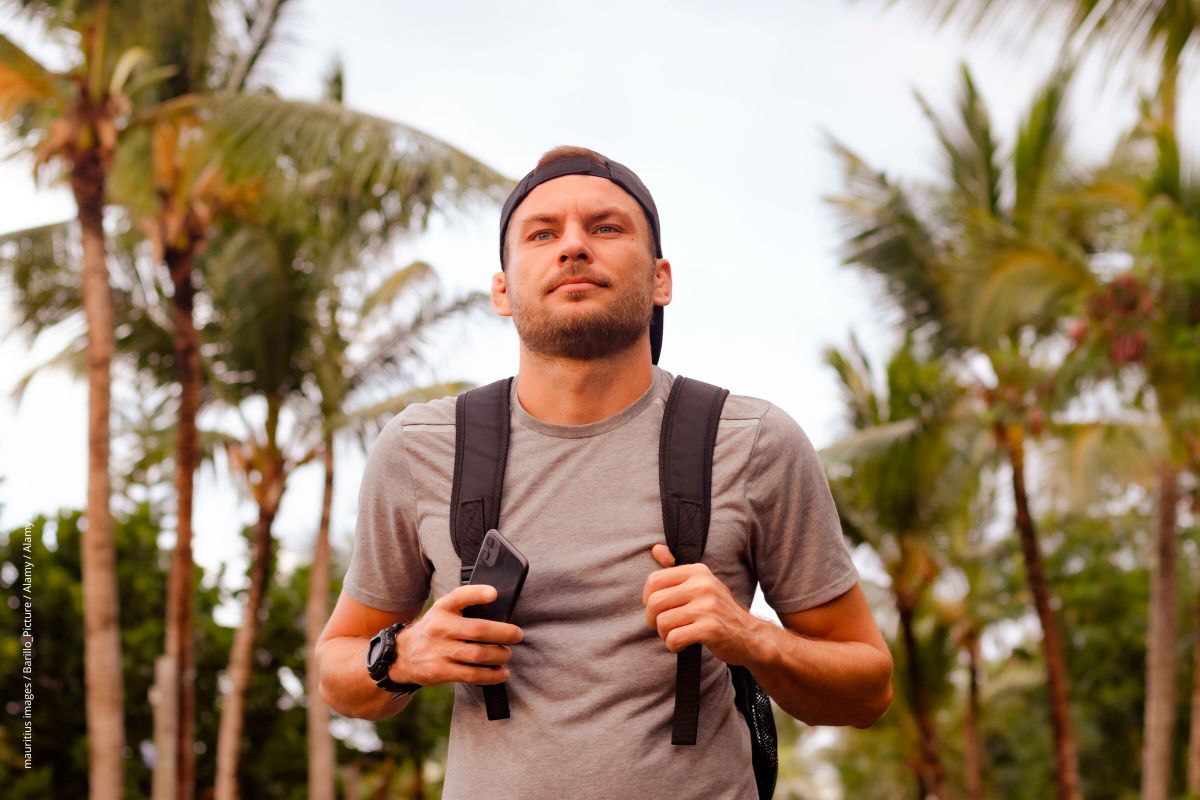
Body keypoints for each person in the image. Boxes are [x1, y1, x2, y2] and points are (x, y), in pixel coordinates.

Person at [316, 145, 893, 799]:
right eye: (542, 234)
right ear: (502, 290)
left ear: (661, 280)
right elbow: (337, 671)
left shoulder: (753, 442)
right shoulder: (422, 448)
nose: (572, 247)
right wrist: (402, 655)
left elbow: (867, 690)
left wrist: (751, 636)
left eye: (606, 227)